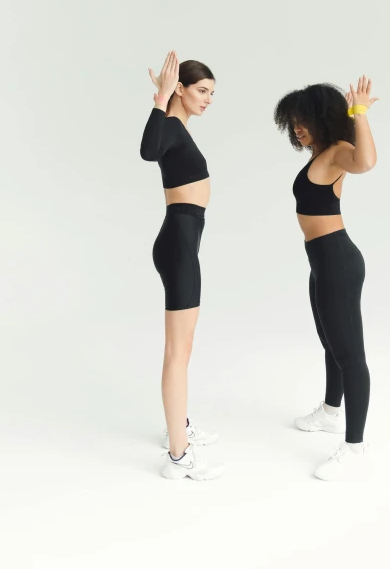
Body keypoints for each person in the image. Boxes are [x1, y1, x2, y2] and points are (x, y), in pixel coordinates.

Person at [274, 76, 378, 481]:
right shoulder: (319, 154)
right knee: (330, 342)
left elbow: (367, 162)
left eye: (305, 120)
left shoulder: (338, 152)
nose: (298, 129)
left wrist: (360, 113)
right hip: (321, 259)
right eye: (294, 122)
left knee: (350, 354)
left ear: (325, 119)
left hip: (337, 259)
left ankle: (355, 445)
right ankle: (332, 413)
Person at [140, 51, 224, 481]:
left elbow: (164, 139)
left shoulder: (180, 128)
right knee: (177, 352)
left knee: (183, 349)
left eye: (212, 93)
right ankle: (178, 457)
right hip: (178, 243)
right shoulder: (170, 127)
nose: (209, 99)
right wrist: (160, 97)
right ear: (181, 89)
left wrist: (167, 100)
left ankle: (179, 427)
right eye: (202, 91)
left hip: (182, 241)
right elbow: (147, 150)